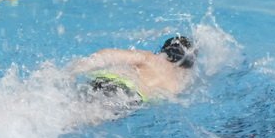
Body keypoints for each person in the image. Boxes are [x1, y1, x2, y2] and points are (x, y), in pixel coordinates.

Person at [69, 35, 197, 106]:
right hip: (130, 101)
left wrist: (76, 69)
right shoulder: (176, 86)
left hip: (113, 83)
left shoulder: (151, 58)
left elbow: (107, 54)